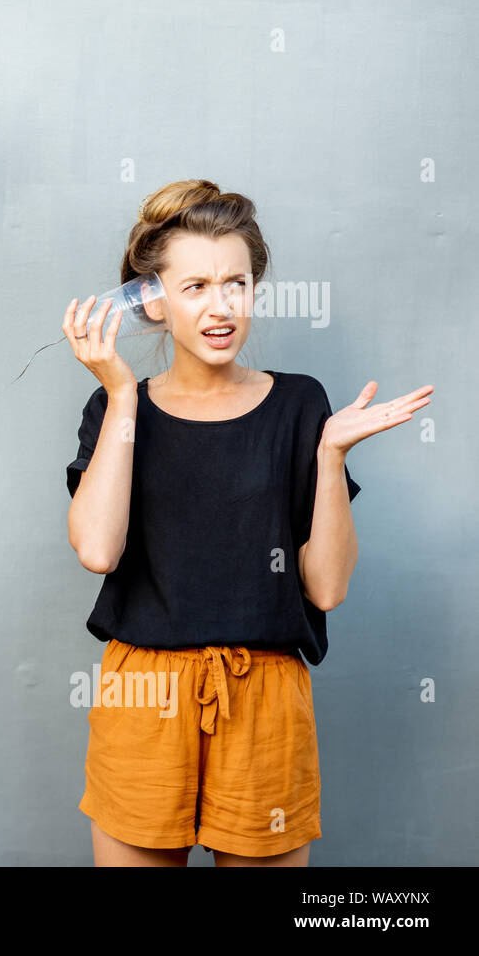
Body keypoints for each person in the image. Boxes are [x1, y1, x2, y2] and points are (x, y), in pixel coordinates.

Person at [63, 179, 432, 867]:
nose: (221, 306)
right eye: (196, 285)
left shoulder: (300, 405)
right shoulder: (116, 406)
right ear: (153, 299)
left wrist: (329, 454)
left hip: (265, 700)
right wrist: (119, 396)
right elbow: (97, 548)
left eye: (236, 283)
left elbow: (325, 589)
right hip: (143, 693)